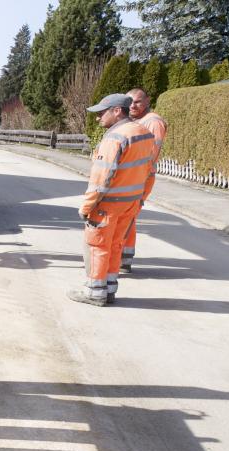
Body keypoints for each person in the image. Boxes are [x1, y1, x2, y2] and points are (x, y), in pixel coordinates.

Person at [68, 94, 157, 307]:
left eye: (101, 113)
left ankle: (94, 292)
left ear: (117, 111)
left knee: (97, 246)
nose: (98, 118)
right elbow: (150, 171)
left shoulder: (115, 138)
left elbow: (101, 178)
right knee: (116, 245)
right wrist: (140, 198)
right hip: (130, 203)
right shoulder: (144, 134)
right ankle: (109, 289)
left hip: (108, 204)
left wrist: (87, 206)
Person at [120, 88, 168, 273]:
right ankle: (123, 257)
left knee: (127, 216)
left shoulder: (153, 122)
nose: (133, 105)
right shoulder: (136, 121)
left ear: (147, 101)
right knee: (126, 216)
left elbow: (150, 155)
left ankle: (123, 258)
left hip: (140, 177)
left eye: (138, 102)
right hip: (133, 176)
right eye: (130, 101)